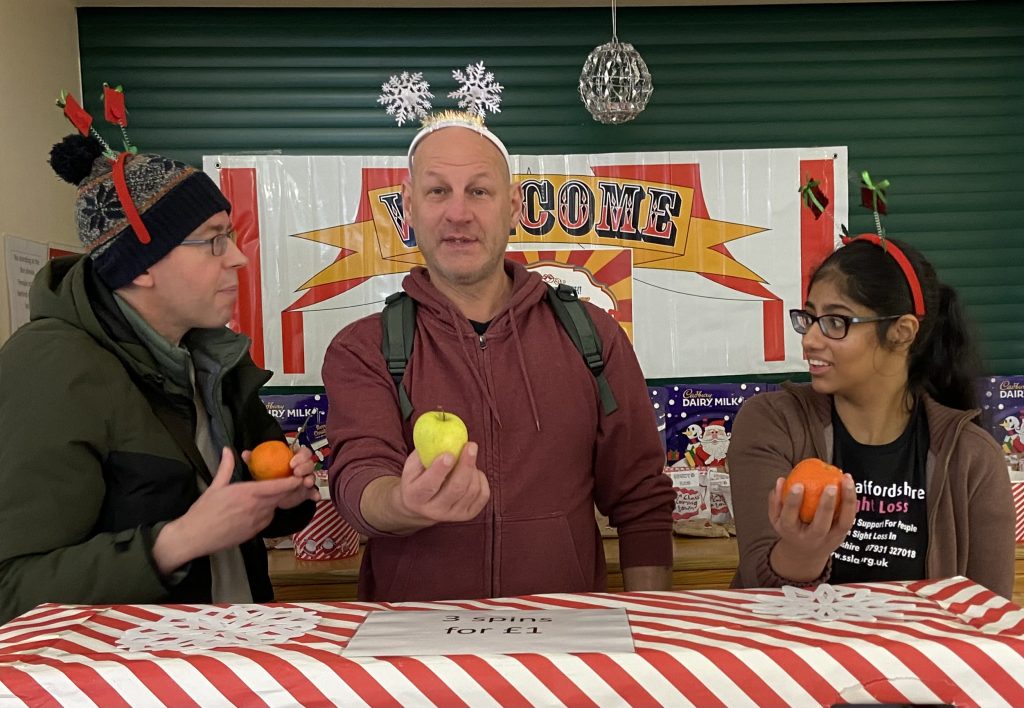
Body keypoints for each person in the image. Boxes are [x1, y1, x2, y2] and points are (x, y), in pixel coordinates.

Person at [322, 114, 674, 602]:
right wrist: (404, 502)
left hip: (560, 649)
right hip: (414, 659)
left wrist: (650, 625)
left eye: (479, 192)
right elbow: (359, 480)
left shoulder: (593, 336)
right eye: (438, 191)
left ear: (512, 207)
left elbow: (642, 502)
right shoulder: (363, 348)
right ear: (408, 207)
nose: (459, 213)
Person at [0, 132, 318, 624]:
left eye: (230, 236)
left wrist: (286, 492)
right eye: (214, 240)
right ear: (141, 264)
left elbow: (254, 503)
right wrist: (176, 542)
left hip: (236, 661)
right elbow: (12, 590)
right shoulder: (49, 369)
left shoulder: (214, 360)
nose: (238, 257)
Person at [729, 234, 1014, 598]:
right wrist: (804, 551)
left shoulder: (972, 457)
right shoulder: (773, 422)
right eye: (810, 318)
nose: (810, 340)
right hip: (791, 652)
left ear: (902, 332)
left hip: (918, 655)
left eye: (836, 322)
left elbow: (987, 618)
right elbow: (756, 587)